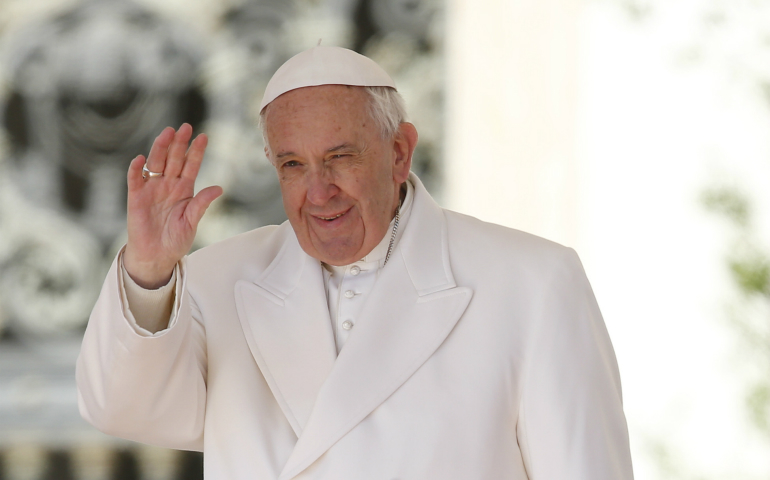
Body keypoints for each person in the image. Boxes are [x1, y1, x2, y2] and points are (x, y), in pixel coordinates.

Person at [77, 46, 634, 480]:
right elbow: (121, 409)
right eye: (293, 164)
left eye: (340, 157)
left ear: (399, 152)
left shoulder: (532, 282)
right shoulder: (218, 281)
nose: (319, 193)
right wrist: (148, 271)